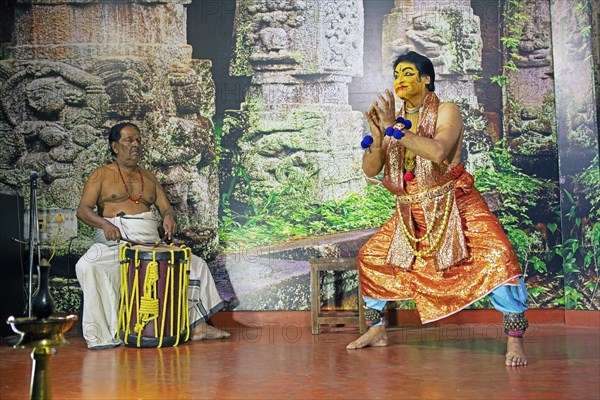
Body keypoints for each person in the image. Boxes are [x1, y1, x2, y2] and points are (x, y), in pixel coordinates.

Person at [347, 51, 529, 367]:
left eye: (407, 73)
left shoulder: (447, 111)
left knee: (497, 257)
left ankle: (514, 341)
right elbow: (371, 170)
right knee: (372, 257)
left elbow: (438, 151)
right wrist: (378, 139)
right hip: (411, 209)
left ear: (426, 78)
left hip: (454, 202)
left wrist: (394, 129)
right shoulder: (396, 119)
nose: (400, 80)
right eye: (396, 75)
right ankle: (377, 330)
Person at [76, 122, 229, 350]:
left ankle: (196, 326)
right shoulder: (100, 175)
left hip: (151, 244)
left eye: (138, 140)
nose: (135, 144)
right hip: (116, 244)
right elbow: (83, 210)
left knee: (195, 265)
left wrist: (169, 217)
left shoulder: (149, 177)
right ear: (115, 147)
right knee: (87, 265)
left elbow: (166, 208)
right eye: (129, 140)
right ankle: (104, 332)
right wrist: (104, 223)